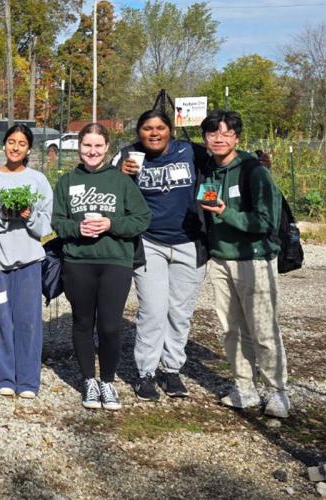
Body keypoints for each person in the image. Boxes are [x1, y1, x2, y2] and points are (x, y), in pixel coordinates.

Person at [196, 110, 291, 418]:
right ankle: (244, 388)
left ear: (236, 137)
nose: (219, 138)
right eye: (213, 133)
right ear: (206, 138)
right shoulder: (209, 171)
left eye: (226, 133)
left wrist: (225, 212)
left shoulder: (254, 171)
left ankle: (277, 391)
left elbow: (266, 221)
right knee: (231, 329)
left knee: (263, 329)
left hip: (254, 260)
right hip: (221, 260)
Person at [52, 123, 150, 411]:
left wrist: (112, 224)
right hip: (78, 261)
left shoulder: (121, 181)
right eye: (86, 146)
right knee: (83, 322)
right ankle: (88, 380)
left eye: (97, 146)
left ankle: (107, 380)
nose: (92, 151)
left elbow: (142, 218)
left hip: (115, 261)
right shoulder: (67, 181)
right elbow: (57, 221)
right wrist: (76, 227)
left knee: (109, 325)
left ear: (107, 148)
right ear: (79, 147)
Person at [116, 109, 210, 402]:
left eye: (160, 127)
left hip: (189, 242)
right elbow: (108, 188)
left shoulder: (190, 151)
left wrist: (257, 163)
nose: (154, 133)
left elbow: (224, 161)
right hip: (149, 242)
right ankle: (145, 372)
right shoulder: (128, 155)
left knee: (179, 312)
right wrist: (120, 175)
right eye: (147, 128)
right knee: (153, 311)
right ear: (138, 132)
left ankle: (171, 370)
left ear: (170, 130)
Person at [0, 124, 53, 399]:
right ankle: (3, 377)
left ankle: (27, 380)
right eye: (11, 142)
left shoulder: (38, 181)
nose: (15, 147)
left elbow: (47, 226)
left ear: (29, 149)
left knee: (29, 321)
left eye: (21, 143)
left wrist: (29, 215)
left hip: (29, 261)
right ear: (3, 145)